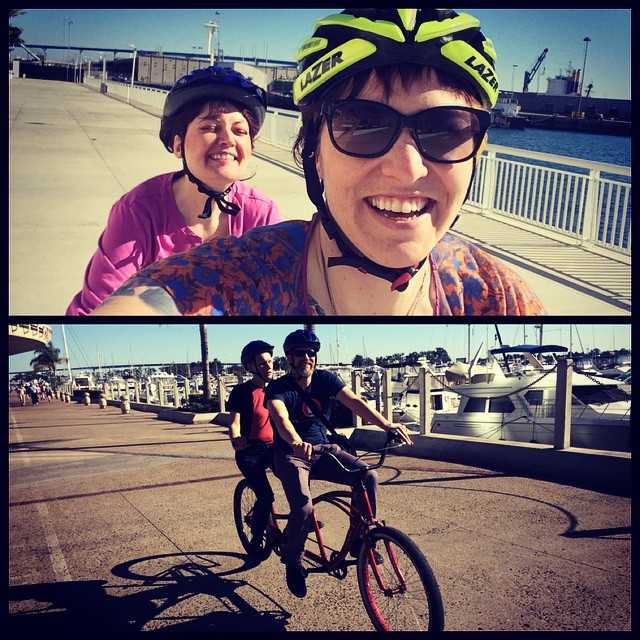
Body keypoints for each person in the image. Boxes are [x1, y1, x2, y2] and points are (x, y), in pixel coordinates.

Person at [92, 8, 544, 316]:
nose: (407, 169)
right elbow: (148, 300)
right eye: (362, 124)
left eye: (446, 129)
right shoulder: (228, 277)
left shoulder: (493, 296)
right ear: (314, 153)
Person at [67, 66, 282, 315]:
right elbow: (97, 308)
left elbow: (279, 302)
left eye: (240, 131)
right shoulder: (138, 211)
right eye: (210, 127)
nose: (228, 139)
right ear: (178, 145)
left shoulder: (262, 214)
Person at [264, 329, 413, 598]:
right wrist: (296, 441)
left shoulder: (325, 379)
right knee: (304, 508)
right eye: (301, 353)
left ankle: (359, 541)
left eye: (312, 353)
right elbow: (280, 416)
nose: (307, 358)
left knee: (368, 477)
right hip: (291, 454)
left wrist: (387, 425)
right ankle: (293, 561)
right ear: (289, 357)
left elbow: (355, 402)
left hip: (325, 449)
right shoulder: (279, 387)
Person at [227, 340, 278, 557]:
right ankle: (257, 536)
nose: (268, 367)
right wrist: (236, 437)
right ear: (251, 367)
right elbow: (234, 422)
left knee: (299, 479)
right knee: (266, 496)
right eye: (262, 364)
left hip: (275, 448)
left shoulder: (278, 388)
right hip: (251, 452)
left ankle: (300, 520)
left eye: (270, 362)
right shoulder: (241, 392)